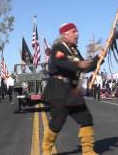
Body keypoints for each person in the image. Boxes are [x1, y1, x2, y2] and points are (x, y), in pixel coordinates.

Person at [42, 23, 101, 155]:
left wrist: (99, 58)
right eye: (74, 31)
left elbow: (85, 67)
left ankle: (88, 150)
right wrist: (79, 64)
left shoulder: (75, 51)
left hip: (73, 92)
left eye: (77, 32)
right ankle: (46, 150)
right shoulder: (58, 48)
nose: (77, 34)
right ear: (65, 34)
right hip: (59, 91)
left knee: (86, 119)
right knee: (57, 123)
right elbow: (61, 63)